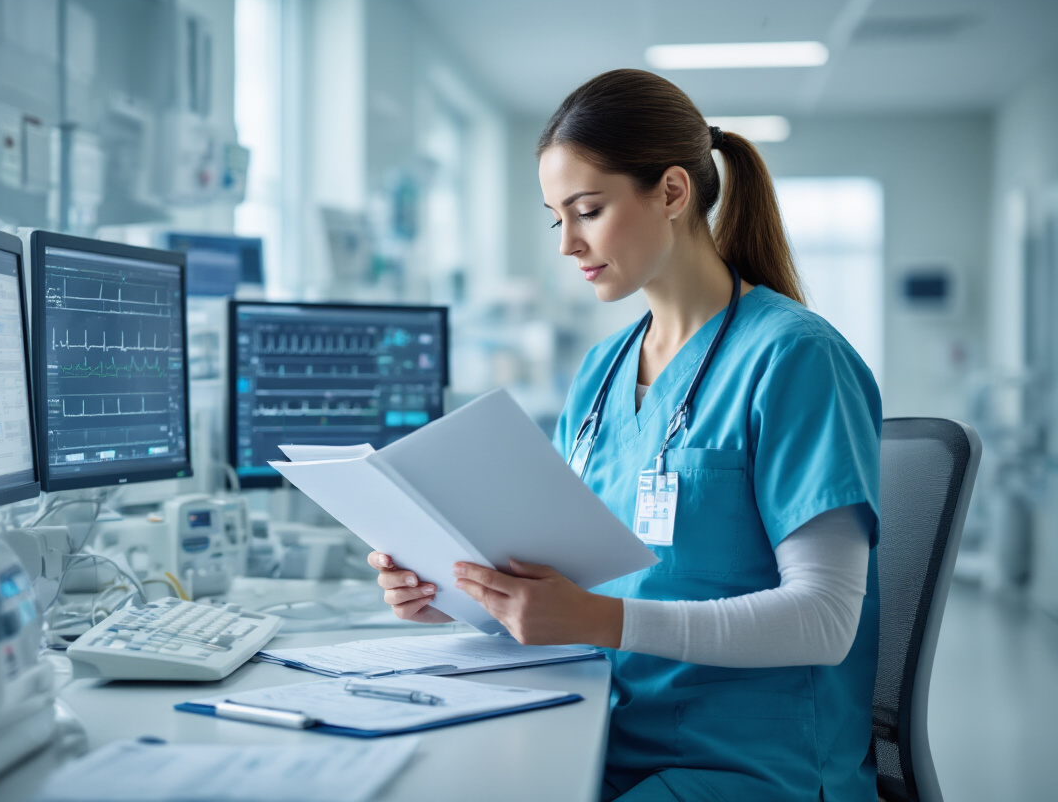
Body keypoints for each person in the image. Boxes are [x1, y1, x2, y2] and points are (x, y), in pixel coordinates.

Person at [368, 68, 882, 802]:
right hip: (601, 736)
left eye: (587, 210)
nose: (568, 244)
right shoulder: (603, 371)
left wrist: (599, 617)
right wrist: (460, 594)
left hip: (748, 767)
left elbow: (827, 619)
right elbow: (569, 594)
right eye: (557, 218)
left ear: (672, 192)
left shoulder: (794, 358)